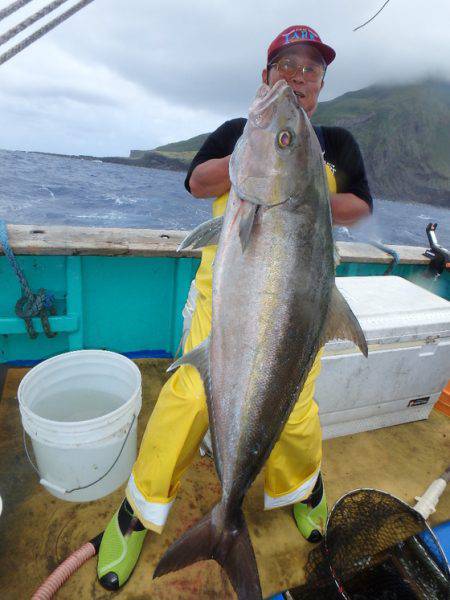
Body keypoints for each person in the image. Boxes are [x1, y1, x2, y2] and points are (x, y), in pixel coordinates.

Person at [97, 24, 373, 591]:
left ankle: (302, 490)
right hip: (224, 296)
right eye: (287, 67)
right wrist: (256, 150)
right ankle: (138, 512)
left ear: (322, 83)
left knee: (296, 410)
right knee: (188, 395)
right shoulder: (234, 132)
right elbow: (197, 183)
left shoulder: (339, 143)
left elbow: (360, 207)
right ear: (265, 75)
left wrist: (297, 175)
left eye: (312, 70)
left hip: (302, 300)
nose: (298, 78)